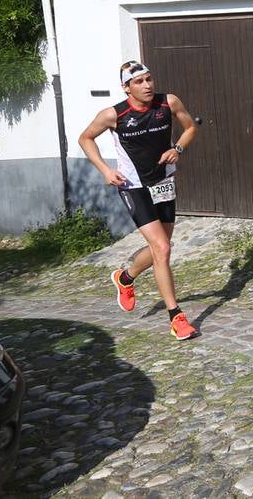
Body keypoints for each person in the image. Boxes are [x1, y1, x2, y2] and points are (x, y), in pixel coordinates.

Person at [78, 60, 199, 340]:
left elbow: (191, 127)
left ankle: (126, 277)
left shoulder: (168, 103)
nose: (147, 85)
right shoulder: (113, 115)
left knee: (163, 247)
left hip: (164, 181)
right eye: (139, 82)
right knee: (162, 247)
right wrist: (106, 170)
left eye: (149, 79)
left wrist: (178, 148)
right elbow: (85, 138)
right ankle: (176, 317)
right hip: (133, 186)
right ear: (126, 88)